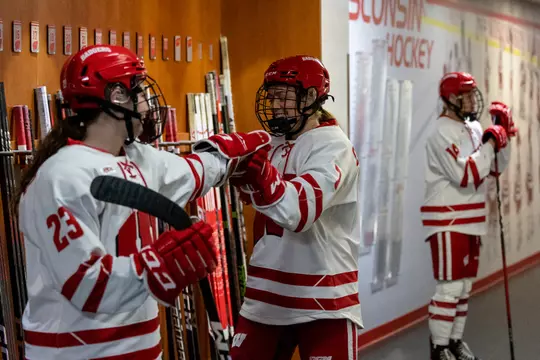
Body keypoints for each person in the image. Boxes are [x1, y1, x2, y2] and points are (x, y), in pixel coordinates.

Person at [15, 44, 271, 360]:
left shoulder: (140, 158)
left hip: (143, 350)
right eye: (138, 89)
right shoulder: (61, 176)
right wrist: (158, 265)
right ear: (115, 97)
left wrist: (248, 152)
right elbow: (86, 284)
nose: (148, 103)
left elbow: (197, 170)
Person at [228, 55, 362, 360]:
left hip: (323, 298)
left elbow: (298, 212)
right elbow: (254, 199)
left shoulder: (333, 146)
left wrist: (259, 176)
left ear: (310, 97)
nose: (275, 106)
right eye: (271, 97)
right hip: (265, 295)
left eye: (283, 97)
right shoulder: (271, 143)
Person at [421, 72, 516, 360]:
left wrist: (504, 137)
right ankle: (438, 347)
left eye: (472, 93)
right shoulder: (439, 132)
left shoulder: (473, 128)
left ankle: (454, 341)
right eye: (465, 94)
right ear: (450, 99)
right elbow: (466, 173)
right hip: (448, 219)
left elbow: (494, 168)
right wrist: (490, 142)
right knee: (449, 287)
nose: (472, 100)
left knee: (463, 287)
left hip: (471, 220)